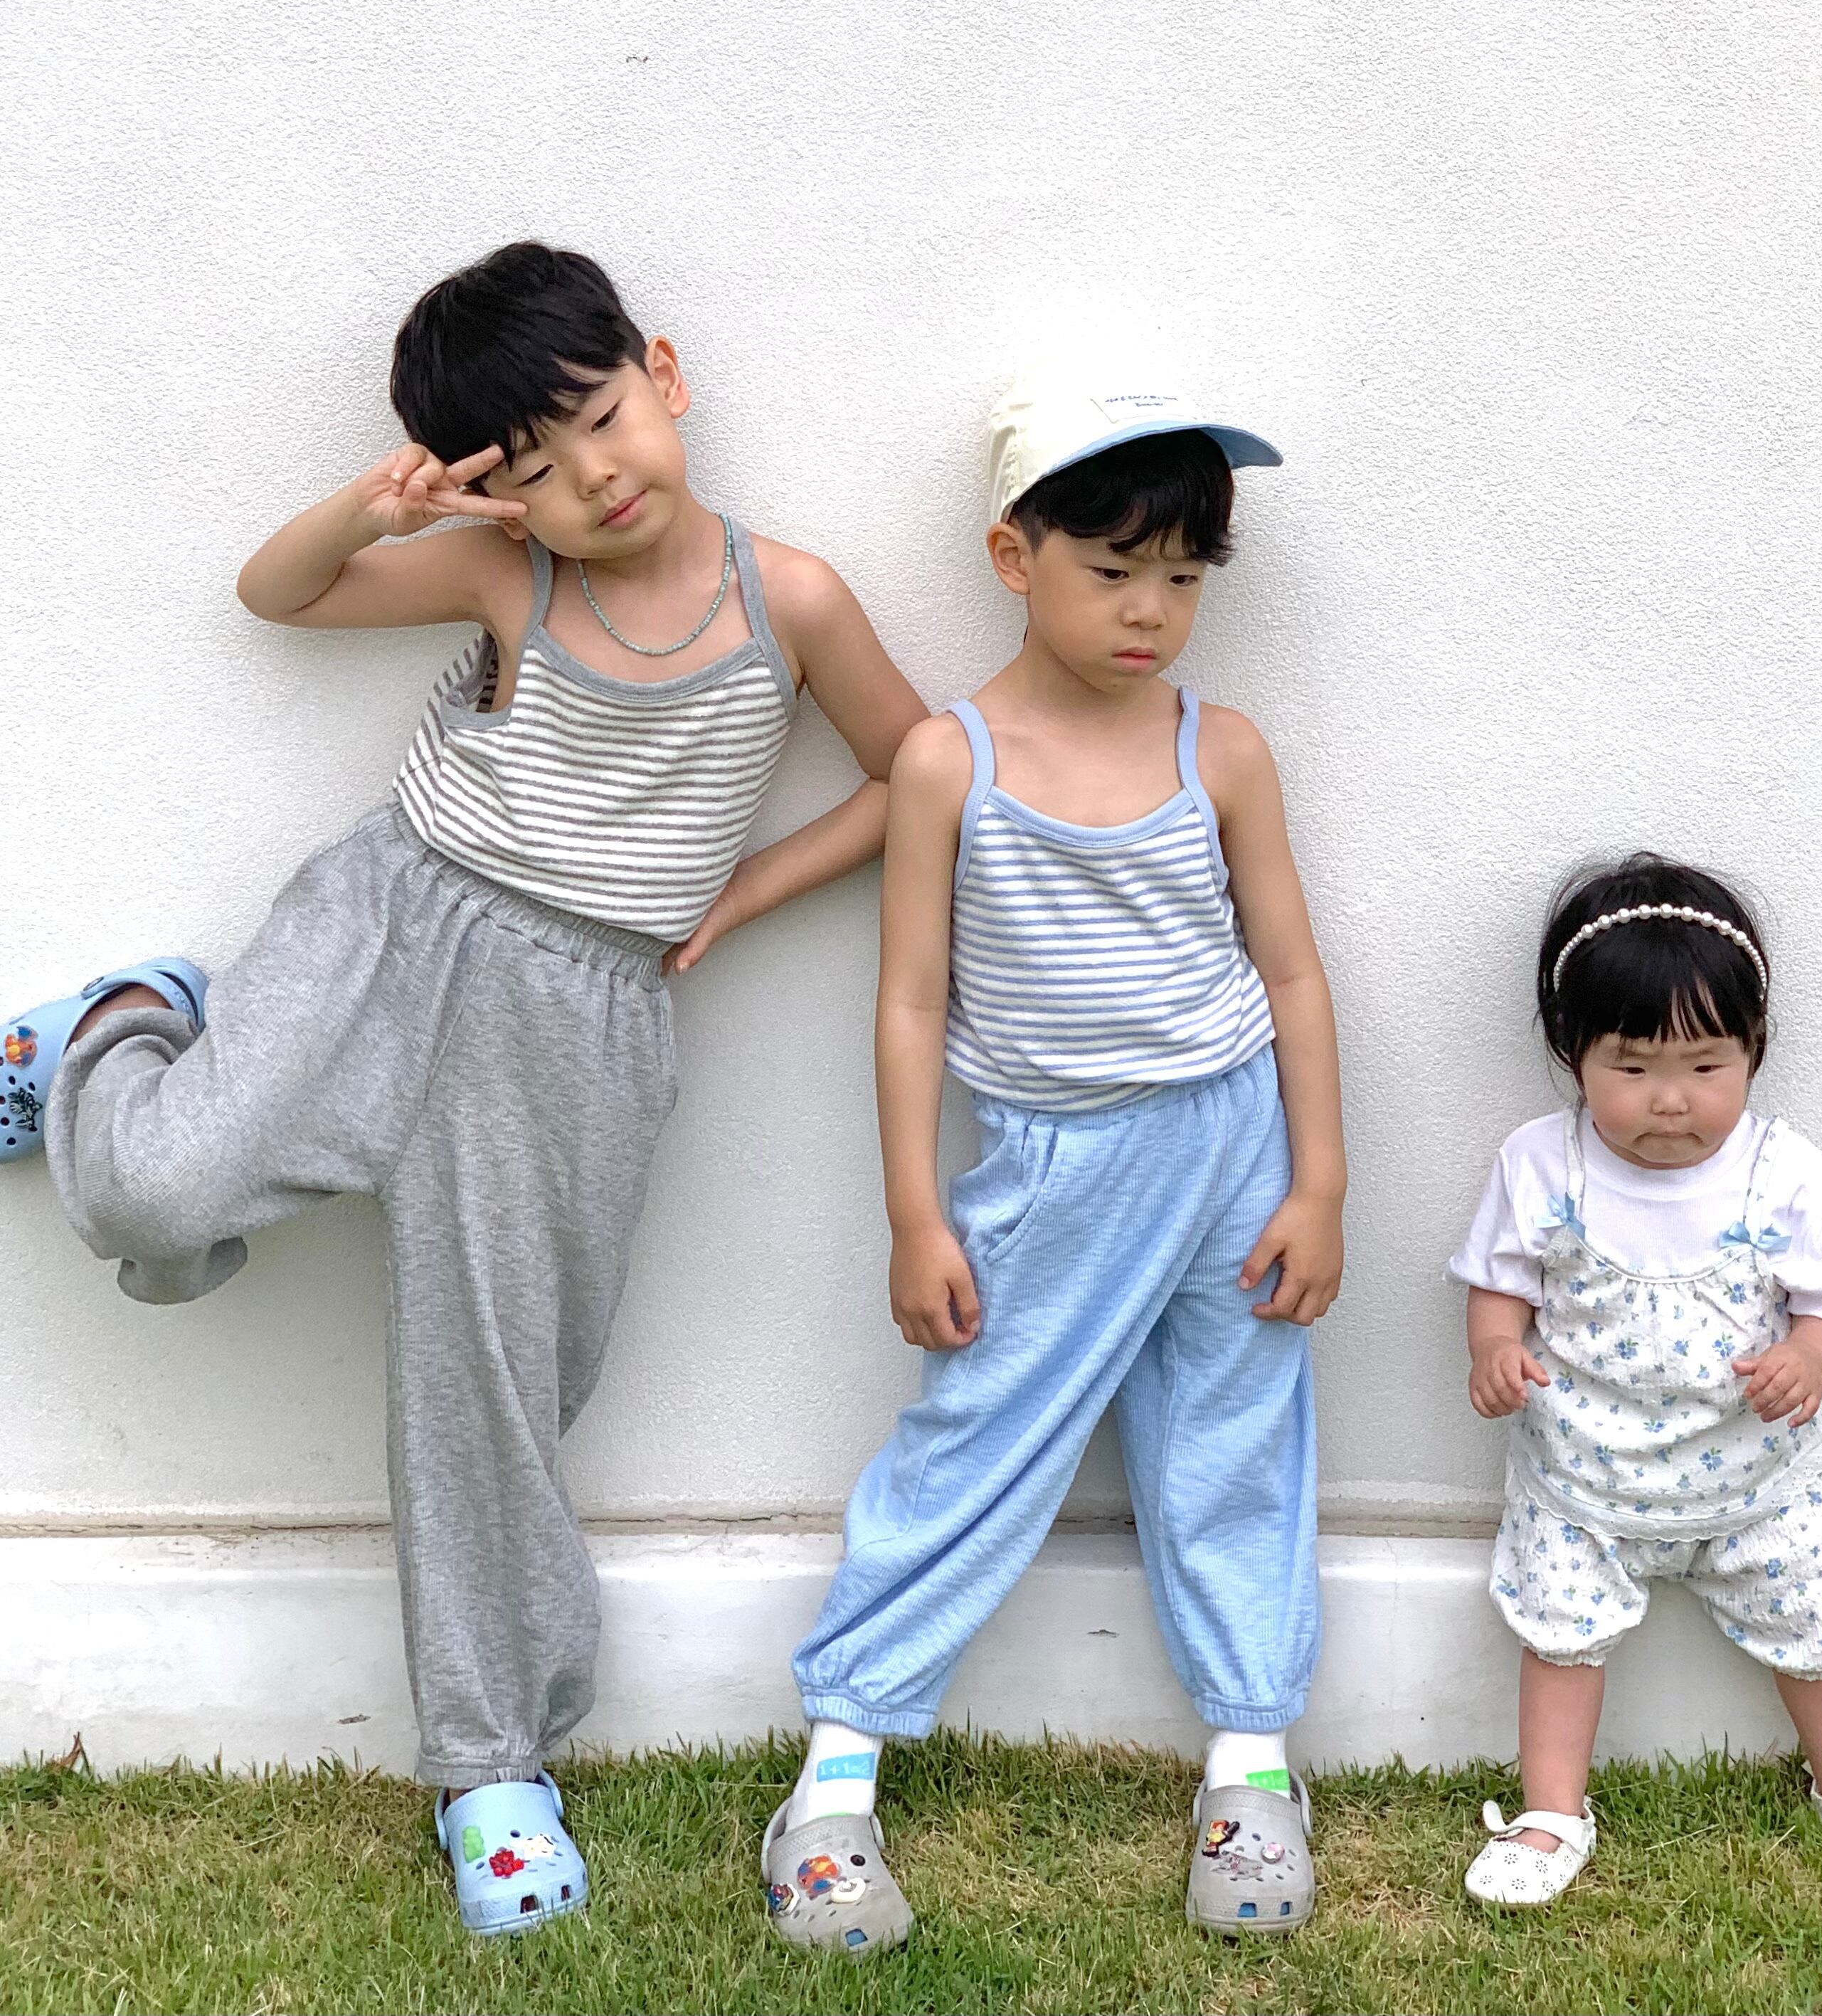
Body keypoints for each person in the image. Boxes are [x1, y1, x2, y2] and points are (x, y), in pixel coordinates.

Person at [3, 241, 926, 1938]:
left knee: (489, 1390)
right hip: (397, 923)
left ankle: (490, 1767)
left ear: (664, 373)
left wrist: (740, 891)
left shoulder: (790, 600)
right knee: (149, 1191)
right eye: (540, 467)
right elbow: (277, 597)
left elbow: (915, 768)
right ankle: (117, 1030)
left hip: (578, 1025)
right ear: (499, 493)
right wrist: (374, 511)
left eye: (605, 419)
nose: (594, 479)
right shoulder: (513, 576)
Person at [761, 368, 1346, 1957]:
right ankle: (833, 1778)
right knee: (977, 1440)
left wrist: (1317, 1183)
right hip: (1051, 1170)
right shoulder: (948, 763)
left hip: (1230, 1147)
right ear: (1015, 558)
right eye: (1114, 569)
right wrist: (913, 1213)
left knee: (1233, 1438)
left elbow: (1293, 973)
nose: (1151, 609)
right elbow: (910, 997)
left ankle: (1251, 1761)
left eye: (1184, 575)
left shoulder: (1221, 751)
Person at [1449, 853, 1822, 1906]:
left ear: (1754, 1049)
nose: (1670, 1099)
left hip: (1755, 1475)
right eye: (1631, 1066)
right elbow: (1499, 1280)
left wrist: (1808, 1356)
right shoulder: (1542, 1163)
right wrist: (1493, 1347)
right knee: (1561, 1634)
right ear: (1571, 1051)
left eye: (1706, 1064)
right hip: (1583, 1477)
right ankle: (1550, 1809)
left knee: (1814, 1626)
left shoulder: (1782, 1169)